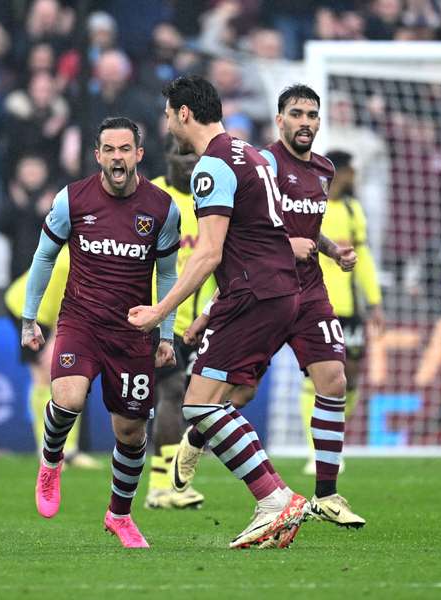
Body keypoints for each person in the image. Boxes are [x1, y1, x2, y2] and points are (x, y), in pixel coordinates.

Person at [128, 75, 307, 549]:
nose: (166, 122)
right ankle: (273, 502)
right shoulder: (252, 155)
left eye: (168, 113)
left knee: (199, 404)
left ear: (184, 113)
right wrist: (210, 310)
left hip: (251, 293)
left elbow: (207, 254)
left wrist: (160, 310)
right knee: (219, 400)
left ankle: (274, 499)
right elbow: (262, 235)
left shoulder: (211, 167)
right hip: (277, 291)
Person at [177, 85, 368, 529]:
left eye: (312, 115)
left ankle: (327, 493)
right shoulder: (259, 164)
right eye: (296, 114)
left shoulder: (324, 170)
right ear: (279, 121)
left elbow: (306, 229)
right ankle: (197, 433)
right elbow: (250, 232)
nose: (305, 122)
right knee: (238, 395)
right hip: (264, 289)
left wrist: (330, 249)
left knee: (334, 379)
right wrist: (209, 310)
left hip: (310, 293)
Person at [24, 117, 180, 548]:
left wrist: (165, 333)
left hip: (133, 332)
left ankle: (119, 515)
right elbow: (43, 258)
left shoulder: (162, 209)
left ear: (138, 155)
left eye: (125, 149)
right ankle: (51, 461)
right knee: (69, 397)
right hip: (81, 321)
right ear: (97, 155)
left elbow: (167, 276)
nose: (117, 157)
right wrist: (29, 318)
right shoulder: (72, 200)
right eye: (109, 149)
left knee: (130, 433)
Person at [303, 149, 384, 473]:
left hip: (350, 307)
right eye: (351, 171)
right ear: (340, 173)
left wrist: (374, 301)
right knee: (315, 378)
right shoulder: (312, 207)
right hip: (315, 303)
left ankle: (333, 436)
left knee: (349, 377)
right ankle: (315, 449)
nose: (354, 178)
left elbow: (362, 258)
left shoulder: (352, 210)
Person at [143, 138, 213, 510]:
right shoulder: (152, 196)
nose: (188, 163)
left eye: (194, 156)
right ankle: (163, 486)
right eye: (181, 156)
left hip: (203, 319)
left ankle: (165, 485)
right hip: (160, 318)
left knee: (202, 401)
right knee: (169, 394)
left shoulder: (211, 202)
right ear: (167, 156)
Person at [3, 252, 100, 470]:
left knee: (73, 379)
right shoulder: (68, 263)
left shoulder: (89, 257)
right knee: (44, 377)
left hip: (53, 314)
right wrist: (55, 341)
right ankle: (46, 450)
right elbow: (60, 303)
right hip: (27, 311)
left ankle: (70, 451)